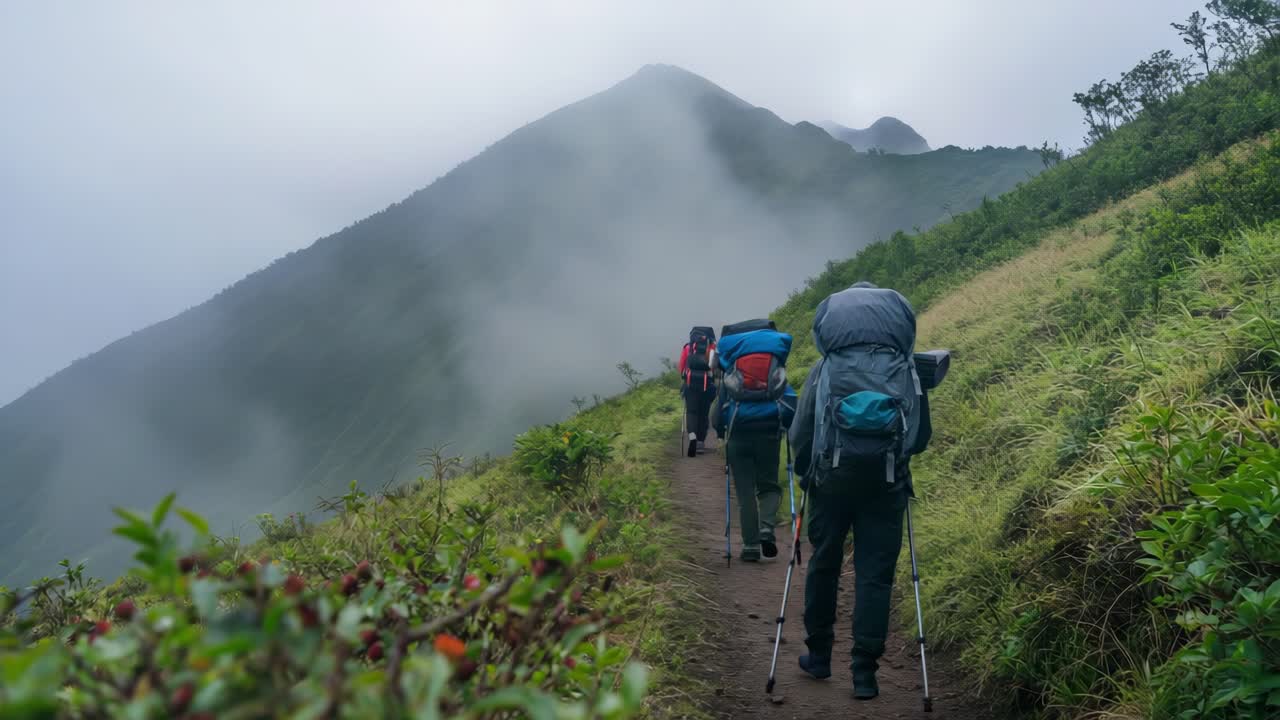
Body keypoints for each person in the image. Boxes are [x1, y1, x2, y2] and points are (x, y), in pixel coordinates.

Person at [788, 282, 930, 700]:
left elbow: (801, 431)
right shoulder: (906, 370)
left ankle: (818, 657)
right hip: (886, 483)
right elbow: (920, 436)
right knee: (875, 576)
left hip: (830, 482)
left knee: (825, 563)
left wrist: (804, 473)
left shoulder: (825, 370)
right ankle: (865, 674)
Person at [712, 321, 797, 562]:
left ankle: (750, 546)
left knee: (745, 491)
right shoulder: (775, 369)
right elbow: (790, 402)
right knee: (769, 485)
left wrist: (720, 432)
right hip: (769, 432)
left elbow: (717, 414)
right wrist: (786, 425)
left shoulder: (731, 371)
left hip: (738, 434)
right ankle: (767, 528)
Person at [679, 326, 718, 457]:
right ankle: (700, 443)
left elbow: (682, 366)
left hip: (690, 384)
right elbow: (716, 368)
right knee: (703, 413)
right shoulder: (712, 347)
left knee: (691, 412)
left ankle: (692, 437)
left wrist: (685, 378)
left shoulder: (688, 347)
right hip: (707, 385)